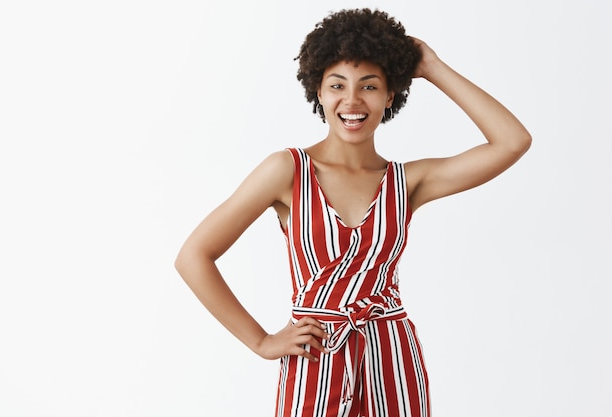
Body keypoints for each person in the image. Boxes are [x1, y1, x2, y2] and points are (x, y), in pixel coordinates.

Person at [175, 8, 531, 417]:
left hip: (393, 359)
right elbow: (193, 257)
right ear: (319, 92)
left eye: (370, 86)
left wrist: (432, 67)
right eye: (337, 85)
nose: (352, 100)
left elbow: (512, 141)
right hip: (316, 358)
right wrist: (262, 342)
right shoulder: (287, 170)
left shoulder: (408, 181)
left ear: (390, 95)